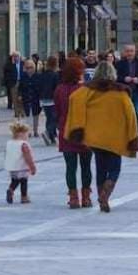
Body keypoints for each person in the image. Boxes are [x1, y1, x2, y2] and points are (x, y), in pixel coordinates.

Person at [61, 63, 138, 213]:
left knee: (100, 167)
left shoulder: (88, 90)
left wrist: (78, 127)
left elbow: (74, 98)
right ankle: (105, 195)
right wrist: (133, 137)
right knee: (115, 168)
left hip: (96, 137)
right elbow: (131, 115)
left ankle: (101, 195)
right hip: (115, 137)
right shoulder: (120, 92)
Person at [54, 57, 90, 208]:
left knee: (70, 166)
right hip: (83, 131)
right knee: (86, 166)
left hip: (66, 130)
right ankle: (86, 197)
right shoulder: (85, 90)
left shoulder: (59, 89)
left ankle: (73, 197)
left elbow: (57, 110)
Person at [115, 45, 138, 136]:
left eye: (131, 51)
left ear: (135, 52)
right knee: (124, 115)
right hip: (124, 92)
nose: (129, 53)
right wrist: (123, 79)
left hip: (137, 91)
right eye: (127, 51)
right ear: (124, 52)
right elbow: (115, 77)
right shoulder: (119, 64)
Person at [4, 122, 37, 204]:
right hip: (22, 167)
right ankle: (24, 197)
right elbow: (27, 157)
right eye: (26, 134)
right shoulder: (23, 144)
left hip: (12, 166)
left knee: (14, 180)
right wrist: (32, 167)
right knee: (23, 181)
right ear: (21, 134)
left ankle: (11, 190)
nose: (27, 136)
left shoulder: (9, 143)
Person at [35, 57, 61, 144]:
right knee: (54, 118)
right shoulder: (55, 75)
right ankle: (47, 132)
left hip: (43, 99)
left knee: (49, 118)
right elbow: (57, 88)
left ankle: (52, 137)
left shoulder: (42, 74)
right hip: (52, 99)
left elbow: (39, 86)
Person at [3, 52, 27, 117]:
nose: (16, 58)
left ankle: (22, 112)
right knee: (14, 98)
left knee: (21, 98)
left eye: (17, 56)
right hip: (14, 83)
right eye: (14, 56)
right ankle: (17, 113)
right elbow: (6, 73)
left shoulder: (23, 64)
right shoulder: (9, 65)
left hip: (22, 82)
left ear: (19, 57)